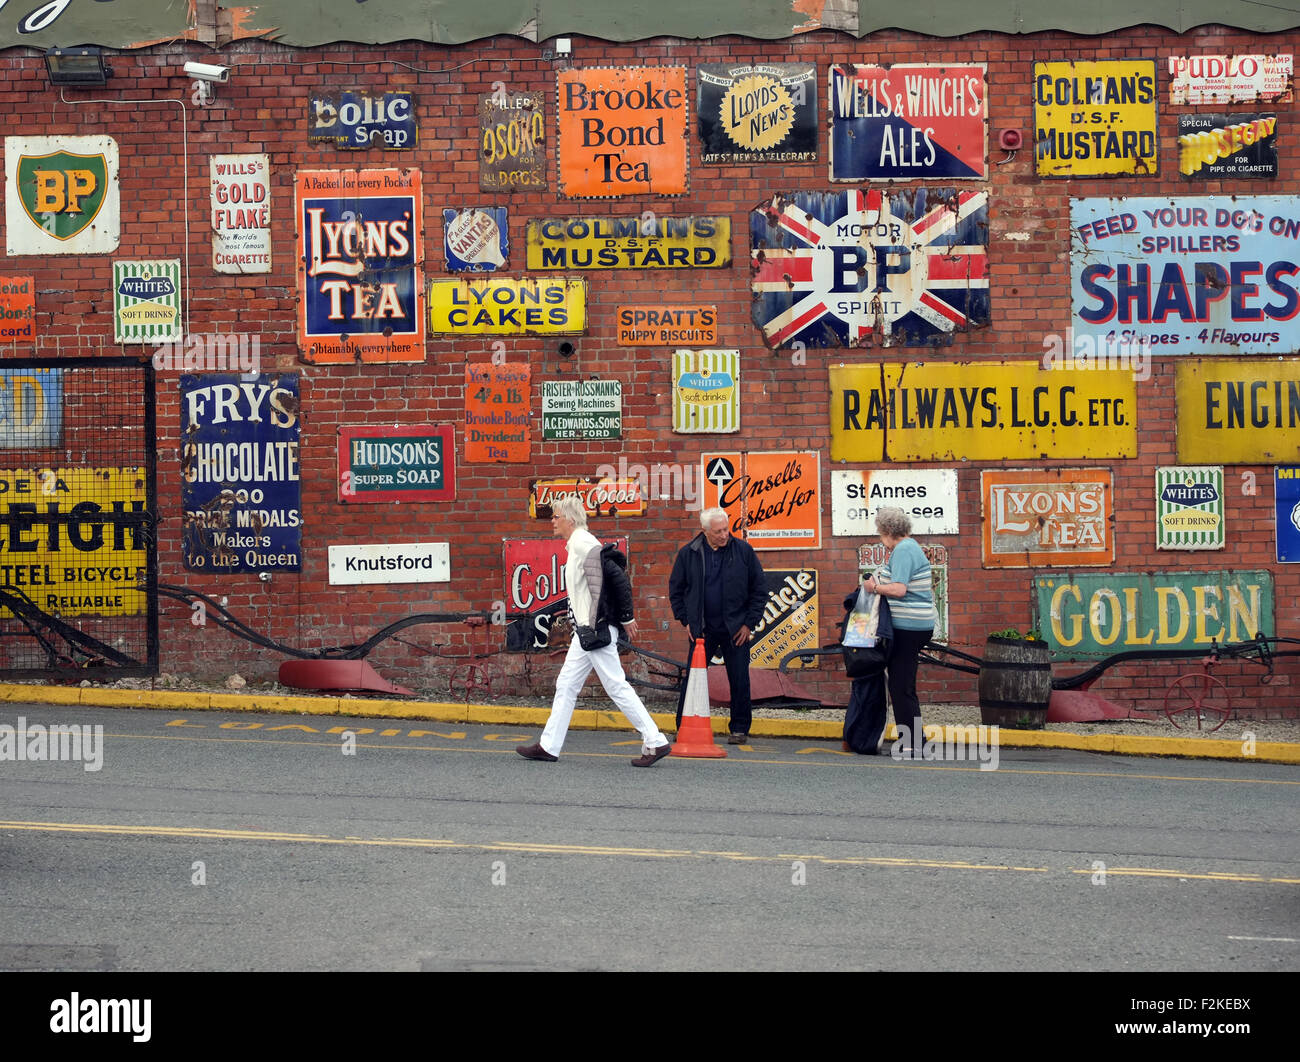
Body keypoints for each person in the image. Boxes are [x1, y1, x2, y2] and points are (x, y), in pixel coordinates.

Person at [516, 496, 672, 767]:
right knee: (566, 685)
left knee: (616, 686)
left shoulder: (583, 543)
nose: (552, 521)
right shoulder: (577, 543)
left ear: (571, 519)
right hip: (586, 633)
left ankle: (655, 740)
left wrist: (626, 617)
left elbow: (618, 578)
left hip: (596, 631)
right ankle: (549, 746)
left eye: (556, 517)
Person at [668, 506, 767, 743]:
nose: (725, 535)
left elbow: (759, 590)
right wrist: (686, 620)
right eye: (719, 531)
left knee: (740, 678)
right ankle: (683, 726)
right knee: (693, 678)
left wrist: (748, 624)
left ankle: (740, 729)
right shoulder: (689, 553)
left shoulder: (743, 550)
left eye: (727, 529)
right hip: (703, 630)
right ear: (705, 531)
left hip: (736, 628)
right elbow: (676, 590)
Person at [861, 506, 937, 759]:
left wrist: (874, 587)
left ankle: (914, 743)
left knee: (901, 685)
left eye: (880, 533)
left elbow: (900, 589)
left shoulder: (904, 549)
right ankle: (915, 740)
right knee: (902, 683)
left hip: (909, 628)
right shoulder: (910, 547)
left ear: (887, 531)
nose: (881, 540)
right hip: (914, 626)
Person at [840, 575, 894, 755]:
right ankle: (867, 741)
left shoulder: (860, 599)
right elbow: (884, 630)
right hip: (874, 654)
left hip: (856, 653)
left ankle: (850, 738)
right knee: (874, 696)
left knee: (859, 693)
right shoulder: (879, 597)